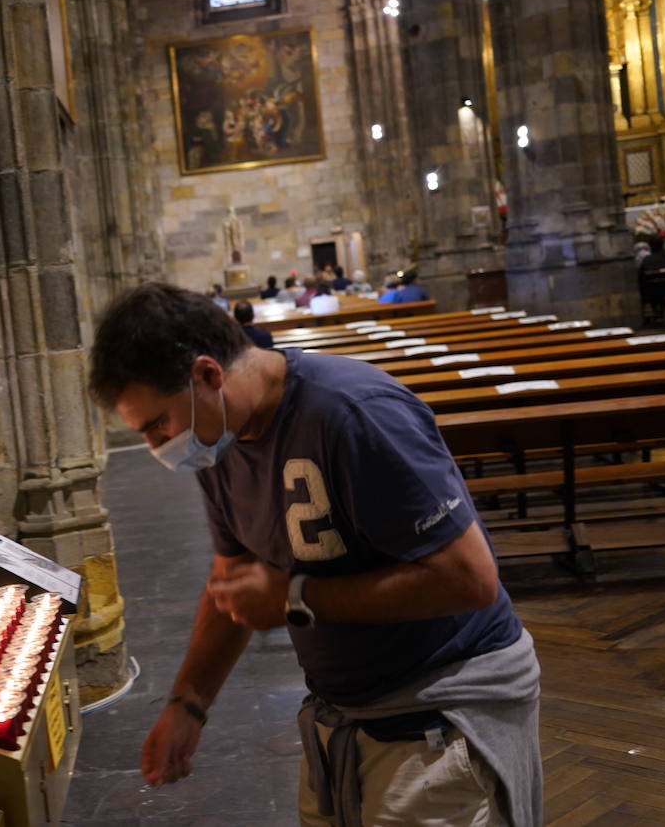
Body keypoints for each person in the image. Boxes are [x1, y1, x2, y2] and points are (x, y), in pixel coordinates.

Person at [88, 282, 541, 827]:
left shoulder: (352, 412)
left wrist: (295, 598)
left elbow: (469, 578)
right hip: (345, 712)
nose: (155, 445)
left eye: (157, 423)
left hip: (439, 707)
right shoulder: (221, 443)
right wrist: (189, 702)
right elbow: (233, 580)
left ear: (207, 376)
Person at [639, 236, 665, 323]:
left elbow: (641, 274)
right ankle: (662, 310)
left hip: (652, 291)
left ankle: (656, 311)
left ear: (651, 247)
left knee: (648, 286)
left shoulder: (647, 260)